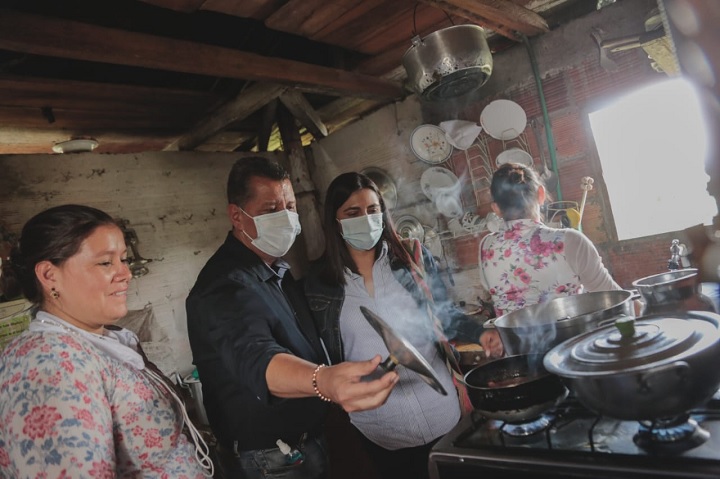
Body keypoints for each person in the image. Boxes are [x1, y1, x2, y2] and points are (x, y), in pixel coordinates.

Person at [185, 158, 398, 479]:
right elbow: (257, 358)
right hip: (270, 456)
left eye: (289, 206)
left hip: (304, 439)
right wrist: (324, 380)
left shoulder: (277, 271)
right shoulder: (223, 287)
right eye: (271, 209)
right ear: (237, 216)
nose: (284, 217)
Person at [0, 204, 212, 478]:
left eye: (123, 259)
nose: (126, 273)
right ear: (50, 276)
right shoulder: (51, 365)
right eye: (105, 262)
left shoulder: (96, 340)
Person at [302, 172, 486, 479]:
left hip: (444, 414)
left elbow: (446, 316)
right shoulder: (318, 286)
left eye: (373, 210)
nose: (366, 219)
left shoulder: (413, 259)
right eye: (353, 213)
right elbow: (321, 357)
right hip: (381, 430)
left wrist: (482, 333)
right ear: (335, 221)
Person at [478, 163, 623, 357]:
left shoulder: (486, 247)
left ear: (496, 208)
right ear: (541, 194)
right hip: (574, 358)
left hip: (520, 363)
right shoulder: (570, 240)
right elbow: (614, 300)